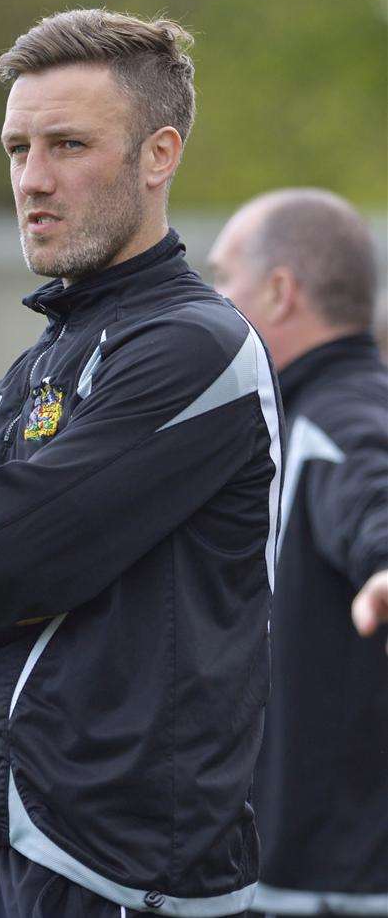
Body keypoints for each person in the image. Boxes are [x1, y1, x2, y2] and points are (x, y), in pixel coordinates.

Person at [0, 9, 283, 918]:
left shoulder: (195, 346)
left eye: (66, 144)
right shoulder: (32, 369)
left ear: (158, 154)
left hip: (117, 863)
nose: (32, 179)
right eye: (17, 148)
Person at [208, 189, 388, 917]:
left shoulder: (338, 417)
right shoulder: (296, 417)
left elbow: (370, 498)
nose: (212, 300)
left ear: (280, 292)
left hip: (325, 886)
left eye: (224, 278)